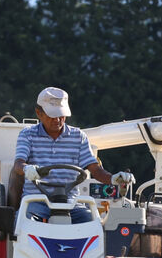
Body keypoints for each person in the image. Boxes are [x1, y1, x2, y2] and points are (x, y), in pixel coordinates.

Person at [7, 87, 132, 223]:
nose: (58, 120)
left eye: (61, 115)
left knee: (93, 223)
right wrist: (27, 169)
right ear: (39, 113)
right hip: (36, 202)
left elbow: (95, 170)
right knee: (25, 222)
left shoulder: (79, 137)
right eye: (52, 115)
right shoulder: (27, 135)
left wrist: (114, 179)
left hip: (71, 205)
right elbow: (18, 164)